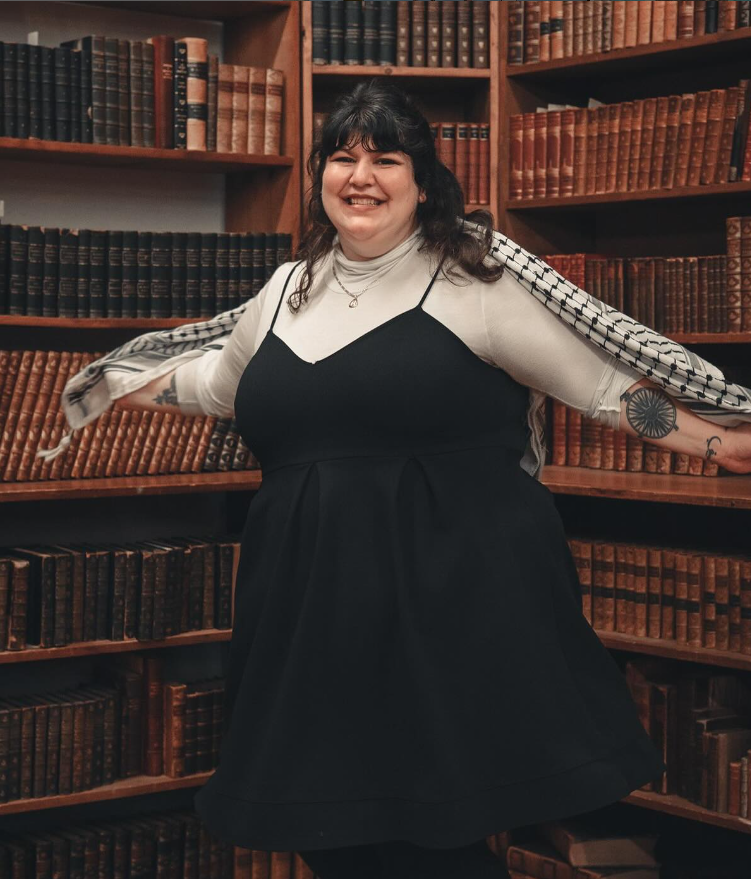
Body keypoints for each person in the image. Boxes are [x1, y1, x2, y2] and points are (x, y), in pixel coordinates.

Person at [110, 80, 748, 878]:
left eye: (385, 157)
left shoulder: (471, 283)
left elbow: (600, 385)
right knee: (325, 823)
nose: (360, 176)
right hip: (309, 605)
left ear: (422, 179)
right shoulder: (283, 291)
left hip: (449, 598)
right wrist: (124, 384)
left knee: (428, 838)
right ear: (320, 177)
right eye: (342, 157)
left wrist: (716, 442)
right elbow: (221, 386)